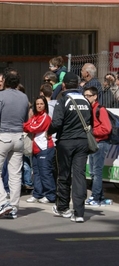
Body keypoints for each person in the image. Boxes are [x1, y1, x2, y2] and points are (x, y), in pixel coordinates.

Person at [47, 72, 92, 223]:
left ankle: (63, 207)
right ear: (78, 84)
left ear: (64, 85)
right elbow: (90, 120)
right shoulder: (85, 100)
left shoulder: (63, 100)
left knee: (64, 174)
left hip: (66, 142)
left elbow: (57, 123)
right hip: (82, 142)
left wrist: (49, 132)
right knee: (79, 176)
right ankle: (79, 213)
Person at [0, 70, 29, 219]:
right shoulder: (24, 97)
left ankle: (3, 202)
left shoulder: (0, 95)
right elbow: (25, 118)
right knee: (15, 174)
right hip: (18, 136)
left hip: (3, 135)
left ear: (5, 81)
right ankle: (13, 206)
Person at [23, 96, 56, 204]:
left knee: (45, 173)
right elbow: (27, 125)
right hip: (36, 149)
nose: (39, 106)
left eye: (41, 104)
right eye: (37, 104)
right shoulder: (35, 117)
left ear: (45, 105)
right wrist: (27, 125)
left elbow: (33, 128)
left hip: (45, 148)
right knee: (36, 172)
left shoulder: (45, 117)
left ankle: (50, 195)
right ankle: (37, 194)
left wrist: (27, 126)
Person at [83, 86, 111, 206]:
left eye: (88, 95)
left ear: (95, 96)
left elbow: (107, 128)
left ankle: (95, 197)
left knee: (96, 172)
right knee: (94, 172)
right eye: (85, 95)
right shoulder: (89, 109)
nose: (86, 98)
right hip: (94, 143)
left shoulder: (100, 109)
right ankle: (100, 197)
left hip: (100, 143)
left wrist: (92, 131)